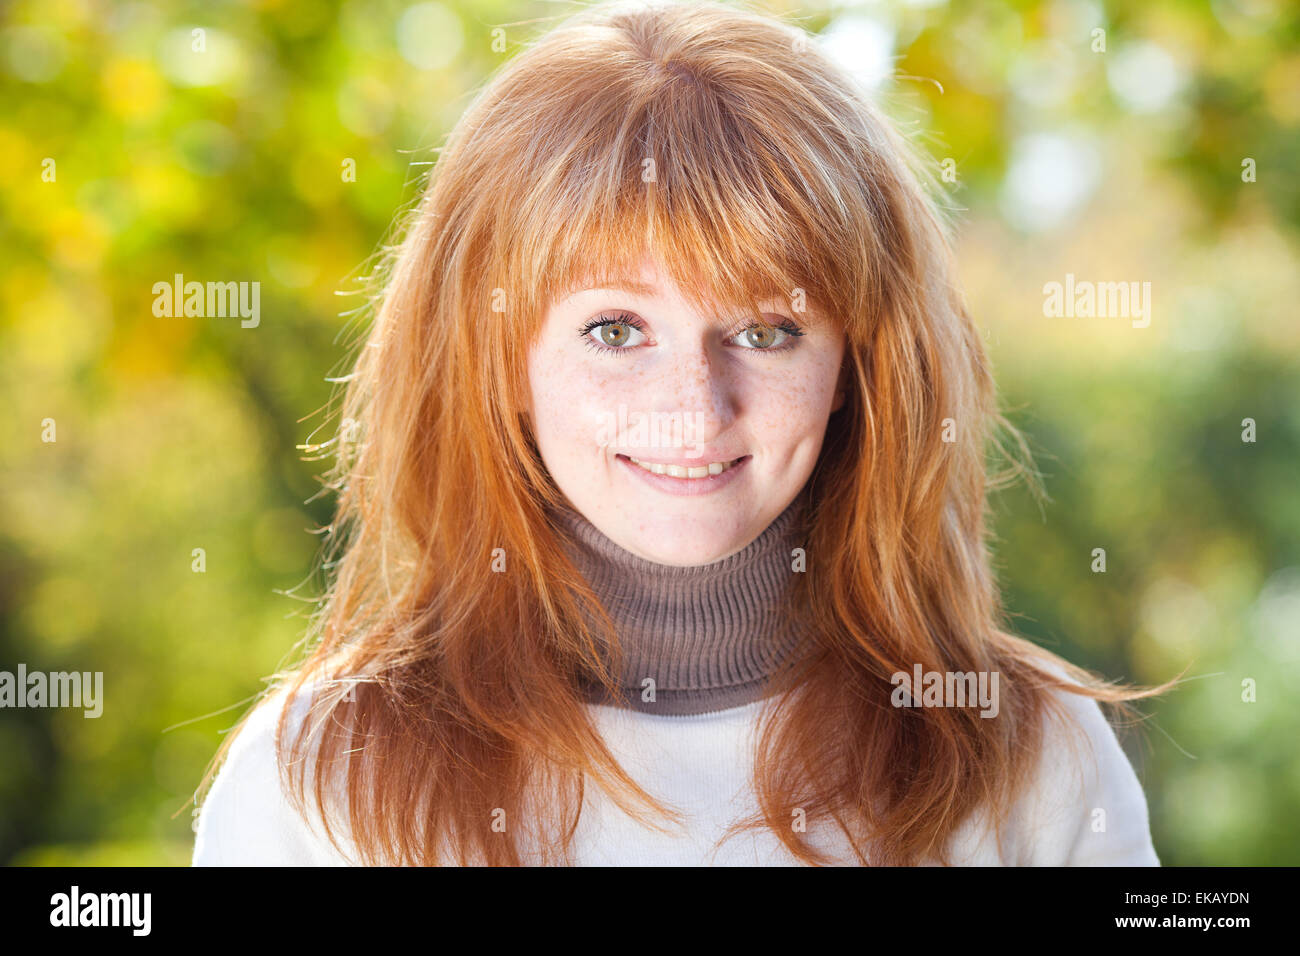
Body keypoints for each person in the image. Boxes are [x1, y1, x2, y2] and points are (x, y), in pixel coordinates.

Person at [192, 0, 1173, 866]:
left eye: (766, 330)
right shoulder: (316, 780)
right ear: (499, 361)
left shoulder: (1031, 752)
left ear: (855, 366)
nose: (694, 407)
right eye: (613, 330)